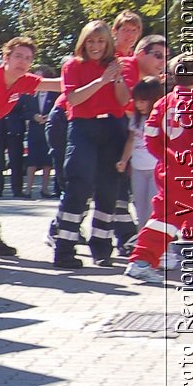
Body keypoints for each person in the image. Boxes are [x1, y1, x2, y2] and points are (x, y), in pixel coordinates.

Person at [50, 21, 131, 268]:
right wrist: (102, 80)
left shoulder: (115, 64)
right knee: (79, 185)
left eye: (100, 42)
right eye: (91, 41)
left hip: (113, 127)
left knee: (109, 189)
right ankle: (64, 248)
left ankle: (102, 247)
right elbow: (73, 98)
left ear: (108, 43)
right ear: (83, 42)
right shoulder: (72, 65)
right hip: (83, 127)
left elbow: (124, 100)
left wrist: (116, 79)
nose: (95, 46)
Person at [0, 37, 63, 257]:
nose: (23, 62)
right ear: (6, 57)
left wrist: (100, 78)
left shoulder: (24, 81)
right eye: (18, 56)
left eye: (28, 58)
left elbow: (59, 84)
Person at [126, 54, 193, 283]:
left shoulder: (162, 102)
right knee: (175, 219)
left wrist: (166, 159)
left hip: (168, 169)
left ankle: (141, 260)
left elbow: (151, 137)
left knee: (165, 217)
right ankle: (141, 261)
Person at [122, 77, 166, 259]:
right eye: (136, 100)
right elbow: (131, 140)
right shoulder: (136, 119)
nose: (138, 104)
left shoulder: (162, 118)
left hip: (157, 169)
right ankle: (142, 249)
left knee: (154, 211)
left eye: (143, 100)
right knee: (140, 210)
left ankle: (161, 250)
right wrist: (124, 160)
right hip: (138, 168)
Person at [23, 71, 56, 199]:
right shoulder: (29, 94)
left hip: (48, 129)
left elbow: (59, 108)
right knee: (32, 160)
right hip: (34, 130)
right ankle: (28, 189)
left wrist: (49, 117)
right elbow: (24, 112)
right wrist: (33, 116)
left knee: (47, 161)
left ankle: (45, 189)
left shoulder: (54, 95)